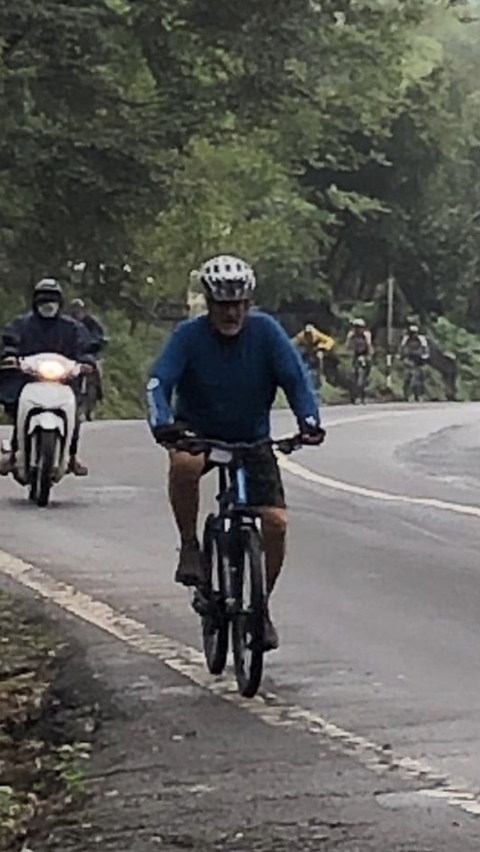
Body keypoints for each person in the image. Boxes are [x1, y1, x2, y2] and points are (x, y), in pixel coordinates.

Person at [147, 254, 325, 650]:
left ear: (249, 303)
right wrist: (162, 423)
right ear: (209, 305)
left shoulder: (266, 332)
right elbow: (158, 382)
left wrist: (308, 422)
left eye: (237, 304)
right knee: (184, 463)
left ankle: (260, 608)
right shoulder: (189, 337)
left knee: (276, 523)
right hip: (200, 433)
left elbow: (296, 380)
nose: (230, 313)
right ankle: (191, 546)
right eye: (222, 304)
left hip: (251, 439)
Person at [0, 279, 92, 476]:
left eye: (52, 299)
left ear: (60, 302)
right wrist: (10, 354)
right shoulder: (21, 324)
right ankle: (14, 453)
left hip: (64, 381)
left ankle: (72, 455)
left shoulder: (72, 327)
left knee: (74, 412)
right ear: (35, 301)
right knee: (17, 407)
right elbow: (9, 341)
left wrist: (85, 361)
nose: (48, 304)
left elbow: (85, 346)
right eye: (43, 299)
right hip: (28, 379)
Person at [69, 298, 106, 406]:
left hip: (90, 352)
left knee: (97, 369)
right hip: (73, 353)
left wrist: (97, 343)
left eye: (79, 309)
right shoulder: (67, 322)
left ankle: (99, 391)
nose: (77, 312)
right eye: (74, 309)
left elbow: (100, 334)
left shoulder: (92, 322)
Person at [291, 324, 335, 393]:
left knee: (319, 356)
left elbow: (330, 341)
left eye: (310, 333)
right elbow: (291, 343)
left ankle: (320, 375)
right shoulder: (300, 336)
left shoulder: (317, 335)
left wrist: (322, 347)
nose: (308, 335)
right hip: (307, 351)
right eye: (307, 334)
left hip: (317, 349)